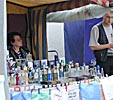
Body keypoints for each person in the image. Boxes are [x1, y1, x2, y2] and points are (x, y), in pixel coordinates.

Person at [89, 11, 113, 76]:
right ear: (103, 16)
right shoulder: (96, 28)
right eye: (108, 17)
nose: (110, 20)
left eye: (112, 17)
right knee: (105, 80)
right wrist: (109, 45)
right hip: (103, 59)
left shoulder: (112, 27)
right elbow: (92, 46)